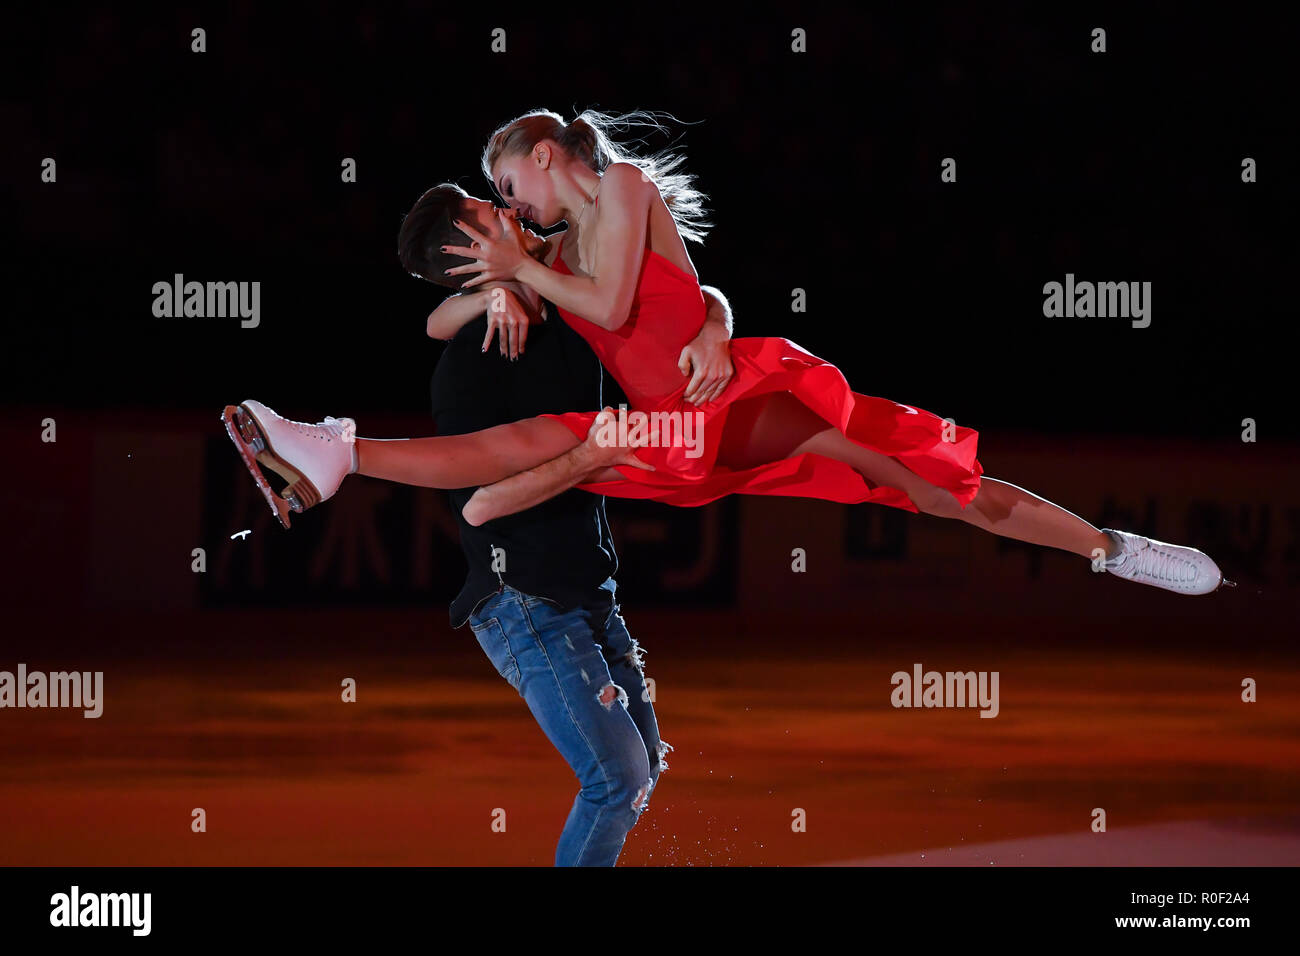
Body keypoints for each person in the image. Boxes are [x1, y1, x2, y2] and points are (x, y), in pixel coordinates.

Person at [221, 108, 1229, 596]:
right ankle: (337, 451)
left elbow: (628, 295)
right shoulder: (548, 251)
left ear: (539, 159)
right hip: (678, 431)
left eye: (508, 191)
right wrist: (494, 285)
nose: (512, 211)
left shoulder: (615, 195)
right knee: (535, 435)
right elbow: (453, 319)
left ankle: (1111, 549)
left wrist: (534, 281)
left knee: (926, 482)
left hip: (741, 398)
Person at [420, 183, 735, 865]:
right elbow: (479, 503)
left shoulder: (570, 299)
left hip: (589, 592)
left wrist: (714, 328)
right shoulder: (468, 366)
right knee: (617, 779)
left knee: (642, 766)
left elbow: (683, 288)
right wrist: (589, 457)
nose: (510, 209)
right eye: (488, 210)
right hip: (524, 603)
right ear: (469, 251)